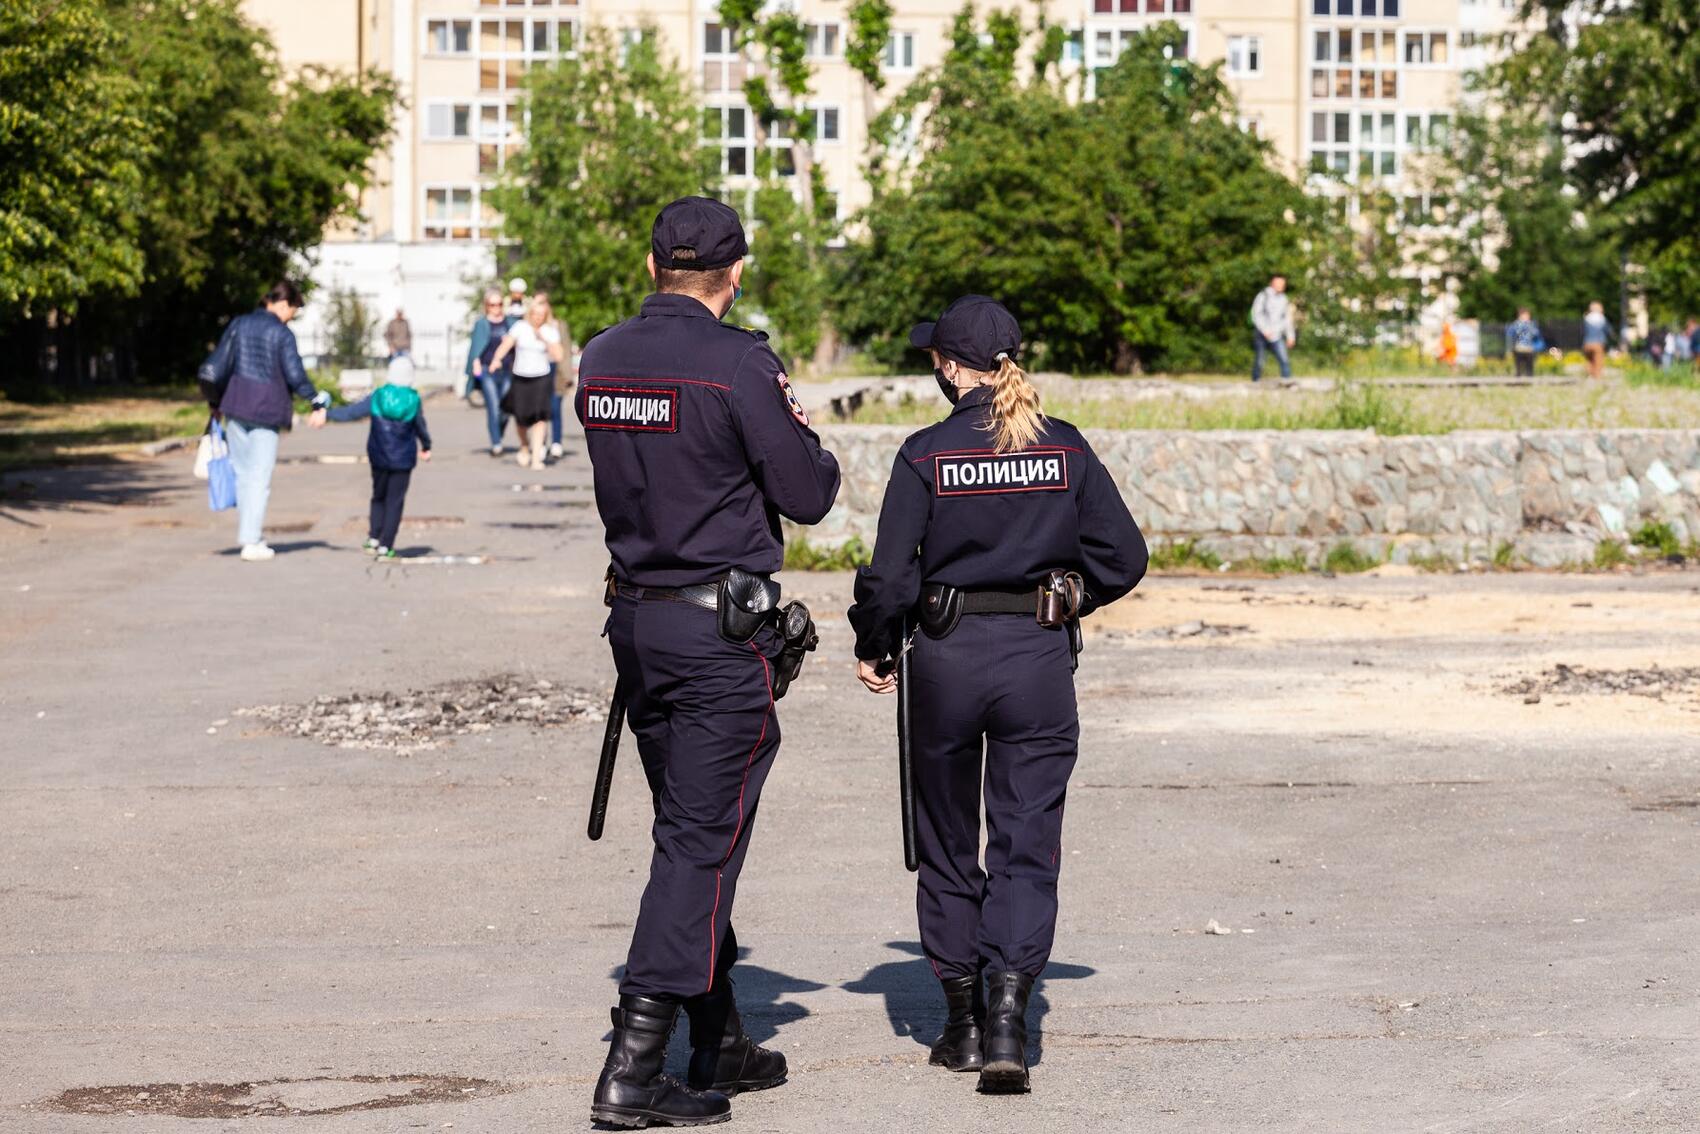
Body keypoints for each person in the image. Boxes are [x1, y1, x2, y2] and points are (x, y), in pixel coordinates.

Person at [577, 196, 840, 1128]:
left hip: (639, 629)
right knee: (698, 844)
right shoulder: (740, 363)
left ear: (653, 268)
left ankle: (719, 1034)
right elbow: (807, 495)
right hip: (719, 644)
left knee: (692, 832)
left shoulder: (601, 358)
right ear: (735, 276)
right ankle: (633, 1069)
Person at [846, 296, 1148, 1096]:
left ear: (950, 365)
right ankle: (1011, 1015)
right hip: (1036, 660)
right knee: (1025, 841)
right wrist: (1072, 596)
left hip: (944, 660)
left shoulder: (923, 454)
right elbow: (1126, 556)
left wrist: (874, 644)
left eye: (932, 360)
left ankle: (961, 1024)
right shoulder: (1066, 450)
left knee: (947, 840)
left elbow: (889, 577)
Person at [200, 279, 331, 562]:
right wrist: (315, 401)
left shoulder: (239, 324)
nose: (291, 317)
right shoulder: (282, 335)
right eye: (293, 311)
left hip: (235, 406)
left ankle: (250, 535)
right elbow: (295, 374)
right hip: (266, 411)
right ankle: (251, 540)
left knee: (244, 474)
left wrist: (215, 402)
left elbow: (222, 364)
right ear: (283, 304)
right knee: (259, 477)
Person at [323, 354, 432, 558]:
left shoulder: (378, 396)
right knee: (395, 501)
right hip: (403, 460)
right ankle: (386, 545)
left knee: (378, 496)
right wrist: (426, 446)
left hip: (379, 456)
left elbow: (353, 412)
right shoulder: (413, 399)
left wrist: (327, 414)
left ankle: (374, 537)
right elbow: (421, 427)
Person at [489, 294, 563, 468]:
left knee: (540, 417)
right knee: (521, 418)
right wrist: (496, 359)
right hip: (521, 377)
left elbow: (559, 355)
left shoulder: (550, 330)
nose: (538, 318)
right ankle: (524, 446)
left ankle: (536, 457)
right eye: (535, 314)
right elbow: (506, 345)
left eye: (541, 315)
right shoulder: (520, 327)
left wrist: (543, 339)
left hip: (541, 377)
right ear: (530, 313)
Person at [465, 289, 513, 455]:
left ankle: (498, 431)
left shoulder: (510, 322)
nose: (496, 308)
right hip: (487, 371)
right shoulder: (481, 323)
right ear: (487, 306)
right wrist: (475, 363)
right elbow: (475, 347)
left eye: (499, 304)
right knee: (493, 406)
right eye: (492, 305)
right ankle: (496, 443)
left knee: (506, 409)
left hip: (507, 370)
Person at [1250, 273, 1295, 381]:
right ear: (1272, 283)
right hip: (1262, 334)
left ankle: (1287, 381)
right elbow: (1256, 314)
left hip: (1276, 334)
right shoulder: (1263, 295)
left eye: (1282, 284)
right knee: (1260, 360)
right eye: (1278, 283)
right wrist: (1265, 330)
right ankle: (1256, 381)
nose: (1280, 286)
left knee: (1284, 358)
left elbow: (1287, 320)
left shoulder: (1284, 299)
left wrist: (1290, 336)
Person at [1582, 301, 1614, 379]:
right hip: (1598, 343)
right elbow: (1609, 331)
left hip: (1587, 343)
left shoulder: (1586, 318)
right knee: (1598, 360)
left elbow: (1582, 331)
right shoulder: (1602, 318)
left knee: (1589, 360)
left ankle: (1589, 375)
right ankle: (1597, 377)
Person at [1507, 308, 1542, 378]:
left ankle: (1529, 377)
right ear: (1520, 316)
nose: (1527, 317)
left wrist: (1529, 327)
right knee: (1518, 365)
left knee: (1529, 365)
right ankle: (1518, 377)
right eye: (1525, 315)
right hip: (1519, 348)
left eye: (1528, 315)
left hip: (1529, 348)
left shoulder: (1531, 324)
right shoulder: (1516, 324)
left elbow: (1536, 333)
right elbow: (1510, 333)